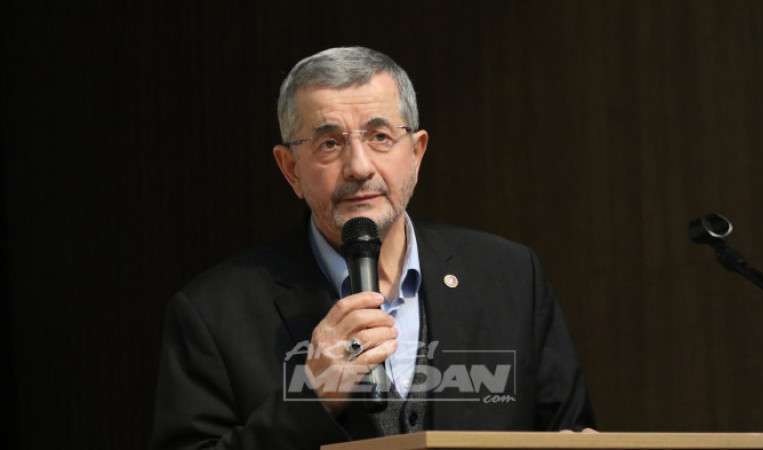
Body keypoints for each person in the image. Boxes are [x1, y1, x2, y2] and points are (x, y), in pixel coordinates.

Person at [150, 46, 594, 450]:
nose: (359, 167)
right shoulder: (212, 314)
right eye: (330, 143)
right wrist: (311, 400)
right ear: (290, 170)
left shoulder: (510, 277)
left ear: (416, 153)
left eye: (380, 136)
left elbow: (570, 433)